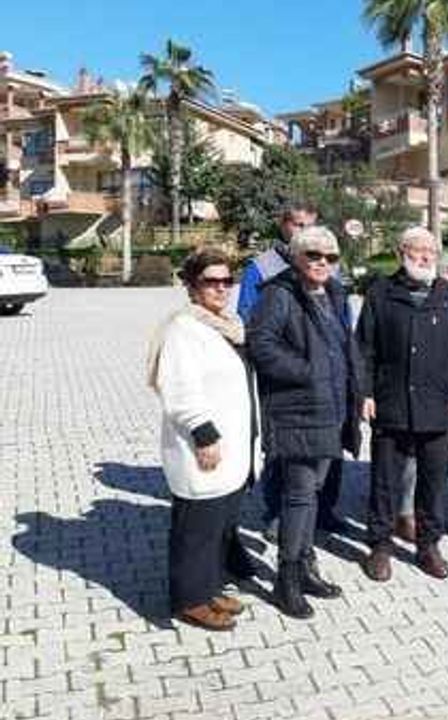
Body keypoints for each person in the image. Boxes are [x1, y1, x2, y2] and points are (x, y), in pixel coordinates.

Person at [358, 226, 448, 582]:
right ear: (401, 253)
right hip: (391, 403)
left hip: (439, 405)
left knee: (432, 482)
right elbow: (363, 349)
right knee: (384, 481)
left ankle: (428, 546)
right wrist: (364, 393)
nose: (426, 256)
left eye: (431, 251)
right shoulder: (380, 293)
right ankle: (380, 546)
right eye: (417, 250)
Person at [247, 226, 356, 619]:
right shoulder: (279, 294)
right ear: (296, 257)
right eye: (314, 255)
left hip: (330, 410)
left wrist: (356, 390)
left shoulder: (333, 293)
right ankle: (286, 579)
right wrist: (307, 371)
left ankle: (307, 566)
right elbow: (261, 344)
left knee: (314, 492)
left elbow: (344, 347)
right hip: (298, 410)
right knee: (298, 495)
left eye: (330, 257)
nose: (322, 263)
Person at [148, 248, 257, 631]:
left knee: (219, 524)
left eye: (227, 281)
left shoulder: (226, 324)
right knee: (196, 527)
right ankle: (189, 601)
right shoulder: (183, 329)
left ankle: (209, 588)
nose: (221, 288)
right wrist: (203, 433)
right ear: (193, 286)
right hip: (202, 444)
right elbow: (179, 387)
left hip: (232, 443)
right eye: (211, 281)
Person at [237, 205, 347, 539]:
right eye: (298, 224)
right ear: (283, 225)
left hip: (329, 384)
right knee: (285, 454)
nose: (304, 230)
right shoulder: (262, 268)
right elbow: (251, 322)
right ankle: (277, 513)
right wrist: (302, 367)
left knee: (329, 448)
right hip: (290, 387)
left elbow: (343, 323)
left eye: (310, 224)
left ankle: (323, 511)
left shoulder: (328, 267)